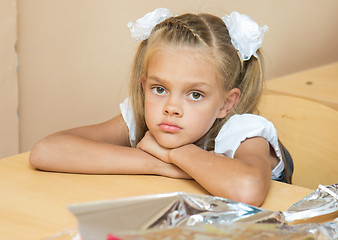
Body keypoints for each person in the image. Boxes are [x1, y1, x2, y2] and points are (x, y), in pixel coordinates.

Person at [29, 8, 293, 206]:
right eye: (159, 89)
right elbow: (46, 151)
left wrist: (173, 153)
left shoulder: (244, 131)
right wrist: (161, 165)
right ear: (144, 87)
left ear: (226, 103)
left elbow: (247, 190)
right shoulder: (143, 116)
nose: (171, 107)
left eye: (195, 94)